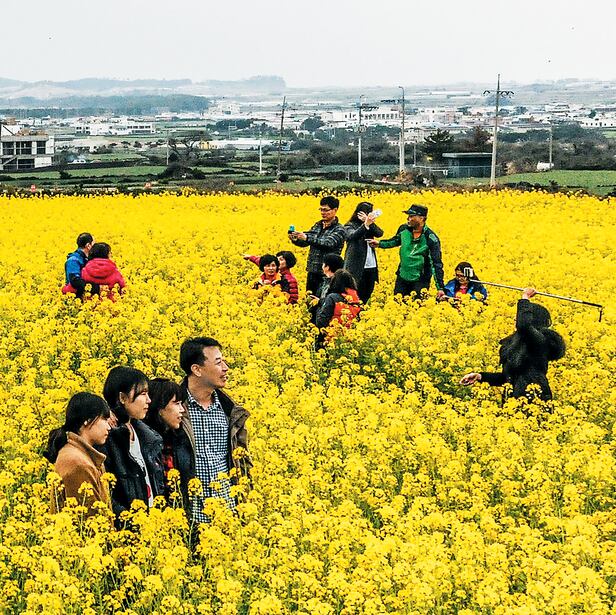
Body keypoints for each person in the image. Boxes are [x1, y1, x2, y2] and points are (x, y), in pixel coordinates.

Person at [179, 337, 251, 524]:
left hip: (227, 515)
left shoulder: (230, 411)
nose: (226, 368)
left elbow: (242, 462)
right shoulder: (173, 411)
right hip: (189, 519)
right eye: (218, 363)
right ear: (197, 369)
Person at [460, 288, 566, 401]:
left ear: (533, 320)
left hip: (535, 398)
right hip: (513, 401)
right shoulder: (517, 345)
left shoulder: (539, 342)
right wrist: (480, 376)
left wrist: (525, 298)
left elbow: (524, 326)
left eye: (519, 316)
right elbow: (507, 378)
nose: (515, 319)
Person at [102, 367, 165, 518]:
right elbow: (106, 493)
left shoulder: (145, 434)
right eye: (143, 394)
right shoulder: (106, 438)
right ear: (122, 398)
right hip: (128, 524)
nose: (149, 400)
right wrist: (129, 520)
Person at [43, 392, 112, 516]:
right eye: (104, 419)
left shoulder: (80, 455)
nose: (109, 427)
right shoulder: (77, 463)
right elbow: (87, 518)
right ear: (87, 420)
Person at [368, 204, 445, 299]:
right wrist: (380, 244)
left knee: (417, 306)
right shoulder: (404, 229)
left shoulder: (431, 238)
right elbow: (395, 241)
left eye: (411, 216)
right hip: (402, 277)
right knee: (397, 304)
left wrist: (440, 288)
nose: (408, 219)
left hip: (420, 280)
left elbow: (436, 263)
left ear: (421, 218)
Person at [144, 378, 193, 510]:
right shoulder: (144, 444)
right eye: (176, 403)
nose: (182, 410)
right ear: (159, 408)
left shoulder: (181, 440)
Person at [288, 195, 346, 294]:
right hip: (313, 270)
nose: (323, 213)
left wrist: (307, 237)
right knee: (309, 299)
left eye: (326, 210)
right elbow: (307, 242)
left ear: (335, 210)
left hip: (328, 273)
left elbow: (328, 243)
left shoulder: (339, 229)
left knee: (324, 299)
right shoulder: (318, 225)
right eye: (321, 209)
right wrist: (296, 239)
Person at [343, 201, 384, 303]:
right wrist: (365, 224)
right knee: (355, 295)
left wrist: (369, 223)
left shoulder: (370, 225)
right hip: (356, 267)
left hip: (370, 266)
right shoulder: (349, 225)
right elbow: (352, 236)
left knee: (367, 294)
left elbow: (379, 233)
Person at [315, 269, 362, 343]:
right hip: (349, 339)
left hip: (331, 339)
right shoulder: (357, 300)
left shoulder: (332, 298)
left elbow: (322, 320)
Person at [308, 253, 344, 324]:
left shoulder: (333, 284)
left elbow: (331, 302)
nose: (322, 266)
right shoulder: (337, 282)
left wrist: (319, 301)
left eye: (323, 264)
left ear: (327, 267)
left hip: (328, 322)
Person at [62, 232, 97, 297]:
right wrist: (97, 288)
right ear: (88, 246)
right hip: (75, 297)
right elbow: (76, 281)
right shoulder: (73, 260)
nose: (96, 247)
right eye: (94, 244)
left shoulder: (88, 258)